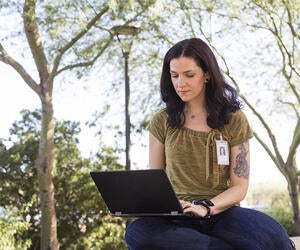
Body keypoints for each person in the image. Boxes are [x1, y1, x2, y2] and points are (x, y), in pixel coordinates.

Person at [125, 38, 294, 249]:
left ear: (207, 74)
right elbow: (155, 181)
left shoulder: (234, 119)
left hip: (221, 212)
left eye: (189, 75)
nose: (180, 83)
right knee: (136, 233)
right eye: (174, 75)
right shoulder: (162, 121)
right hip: (175, 215)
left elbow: (239, 187)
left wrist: (206, 206)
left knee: (275, 236)